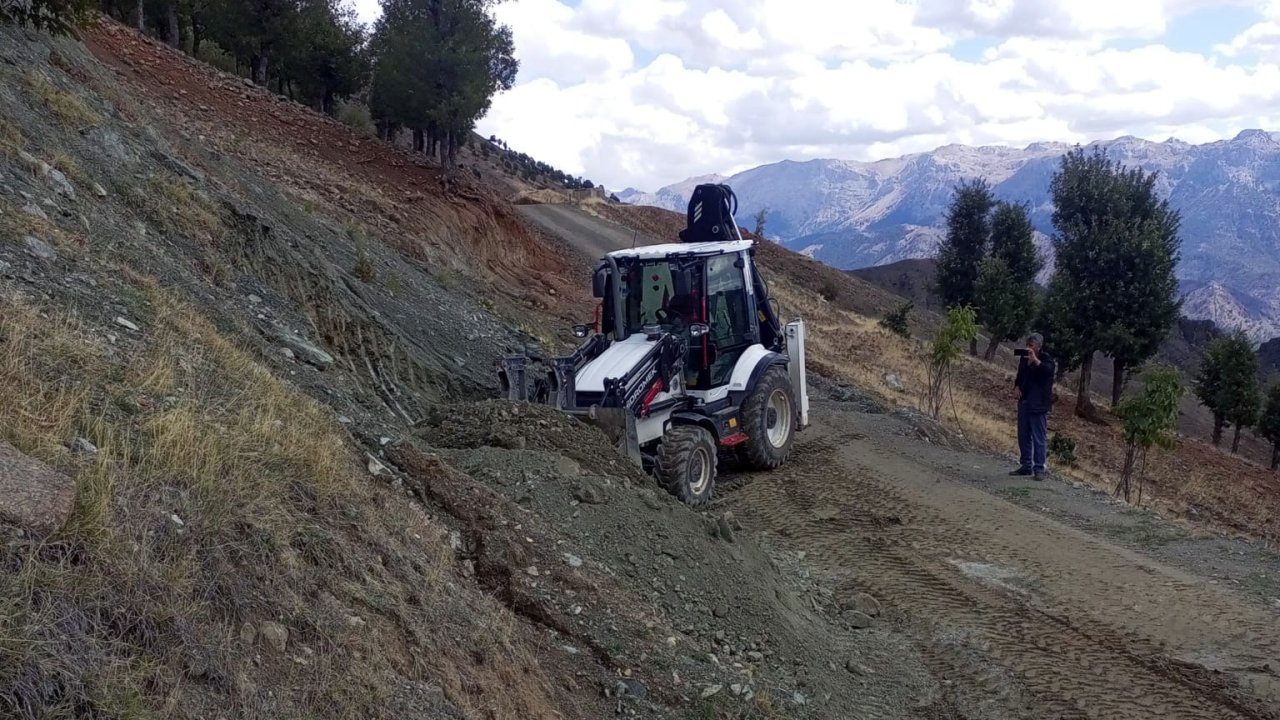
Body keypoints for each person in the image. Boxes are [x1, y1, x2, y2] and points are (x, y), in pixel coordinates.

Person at [1010, 332, 1055, 480]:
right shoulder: (1024, 359)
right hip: (1024, 400)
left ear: (1038, 347)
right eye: (1027, 345)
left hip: (1038, 404)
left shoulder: (1047, 359)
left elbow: (1048, 371)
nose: (1028, 348)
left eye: (1031, 345)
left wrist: (1035, 361)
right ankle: (1026, 465)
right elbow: (1020, 375)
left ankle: (1039, 468)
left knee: (1038, 437)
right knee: (1023, 435)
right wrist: (1017, 386)